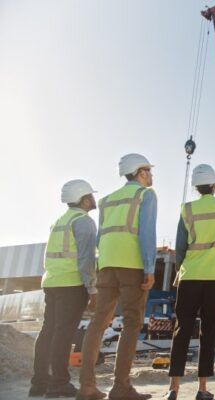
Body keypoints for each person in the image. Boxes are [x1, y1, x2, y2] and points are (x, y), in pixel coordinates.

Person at [76, 154, 157, 400]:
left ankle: (86, 386)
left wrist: (101, 267)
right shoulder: (146, 195)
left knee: (98, 323)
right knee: (132, 322)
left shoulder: (108, 200)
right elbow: (147, 234)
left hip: (107, 265)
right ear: (141, 173)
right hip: (131, 265)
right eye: (149, 171)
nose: (151, 175)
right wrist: (150, 267)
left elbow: (101, 238)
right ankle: (120, 387)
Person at [163, 164, 215, 400]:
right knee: (209, 330)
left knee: (182, 329)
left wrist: (179, 271)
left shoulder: (187, 209)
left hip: (191, 275)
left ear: (195, 187)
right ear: (214, 185)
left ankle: (173, 389)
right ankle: (202, 389)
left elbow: (181, 246)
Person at [29, 180, 98, 398]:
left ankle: (39, 383)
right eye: (91, 196)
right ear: (85, 199)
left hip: (52, 282)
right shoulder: (84, 222)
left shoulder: (58, 222)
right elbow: (86, 260)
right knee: (63, 334)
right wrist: (92, 289)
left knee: (47, 332)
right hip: (71, 284)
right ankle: (59, 382)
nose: (93, 199)